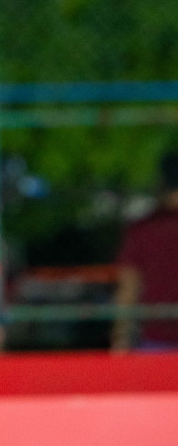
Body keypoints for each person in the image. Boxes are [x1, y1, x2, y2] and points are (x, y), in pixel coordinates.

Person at [111, 151, 178, 352]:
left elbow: (129, 287)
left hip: (156, 339)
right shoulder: (144, 228)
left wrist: (121, 338)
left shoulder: (144, 230)